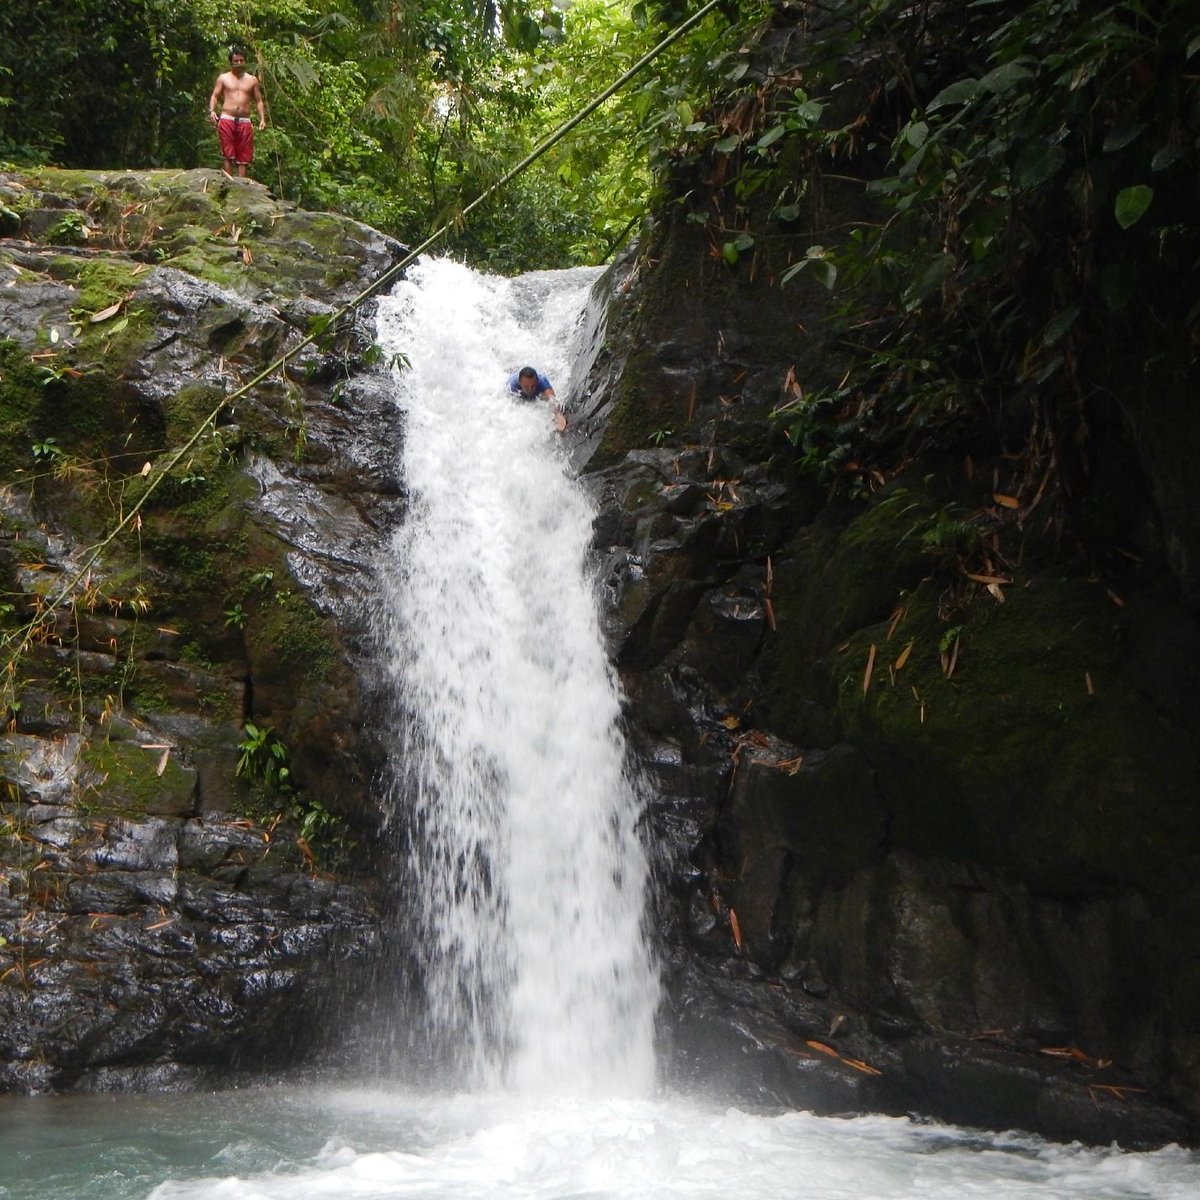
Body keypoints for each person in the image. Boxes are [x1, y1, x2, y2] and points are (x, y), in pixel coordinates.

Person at [208, 48, 267, 180]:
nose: (239, 63)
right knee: (228, 152)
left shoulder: (252, 80)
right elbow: (214, 96)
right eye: (236, 61)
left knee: (244, 154)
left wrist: (262, 119)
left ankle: (240, 185)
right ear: (231, 62)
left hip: (245, 120)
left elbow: (258, 101)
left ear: (245, 61)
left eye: (241, 60)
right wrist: (211, 111)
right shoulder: (223, 78)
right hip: (227, 118)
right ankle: (229, 182)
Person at [507, 366, 567, 431]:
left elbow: (552, 399)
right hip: (517, 386)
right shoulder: (511, 386)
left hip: (538, 388)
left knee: (543, 397)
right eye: (526, 387)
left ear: (537, 381)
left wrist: (558, 415)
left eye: (533, 386)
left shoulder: (542, 381)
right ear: (519, 382)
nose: (530, 390)